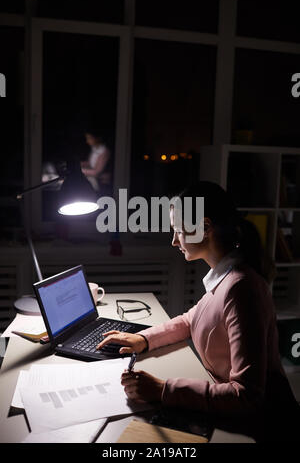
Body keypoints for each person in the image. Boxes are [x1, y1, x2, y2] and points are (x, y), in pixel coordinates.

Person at [96, 181, 300, 442]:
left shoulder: (241, 288)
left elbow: (247, 396)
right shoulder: (225, 276)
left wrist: (163, 389)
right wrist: (144, 339)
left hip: (263, 428)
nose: (173, 241)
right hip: (231, 414)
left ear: (204, 228)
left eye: (178, 231)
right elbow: (191, 319)